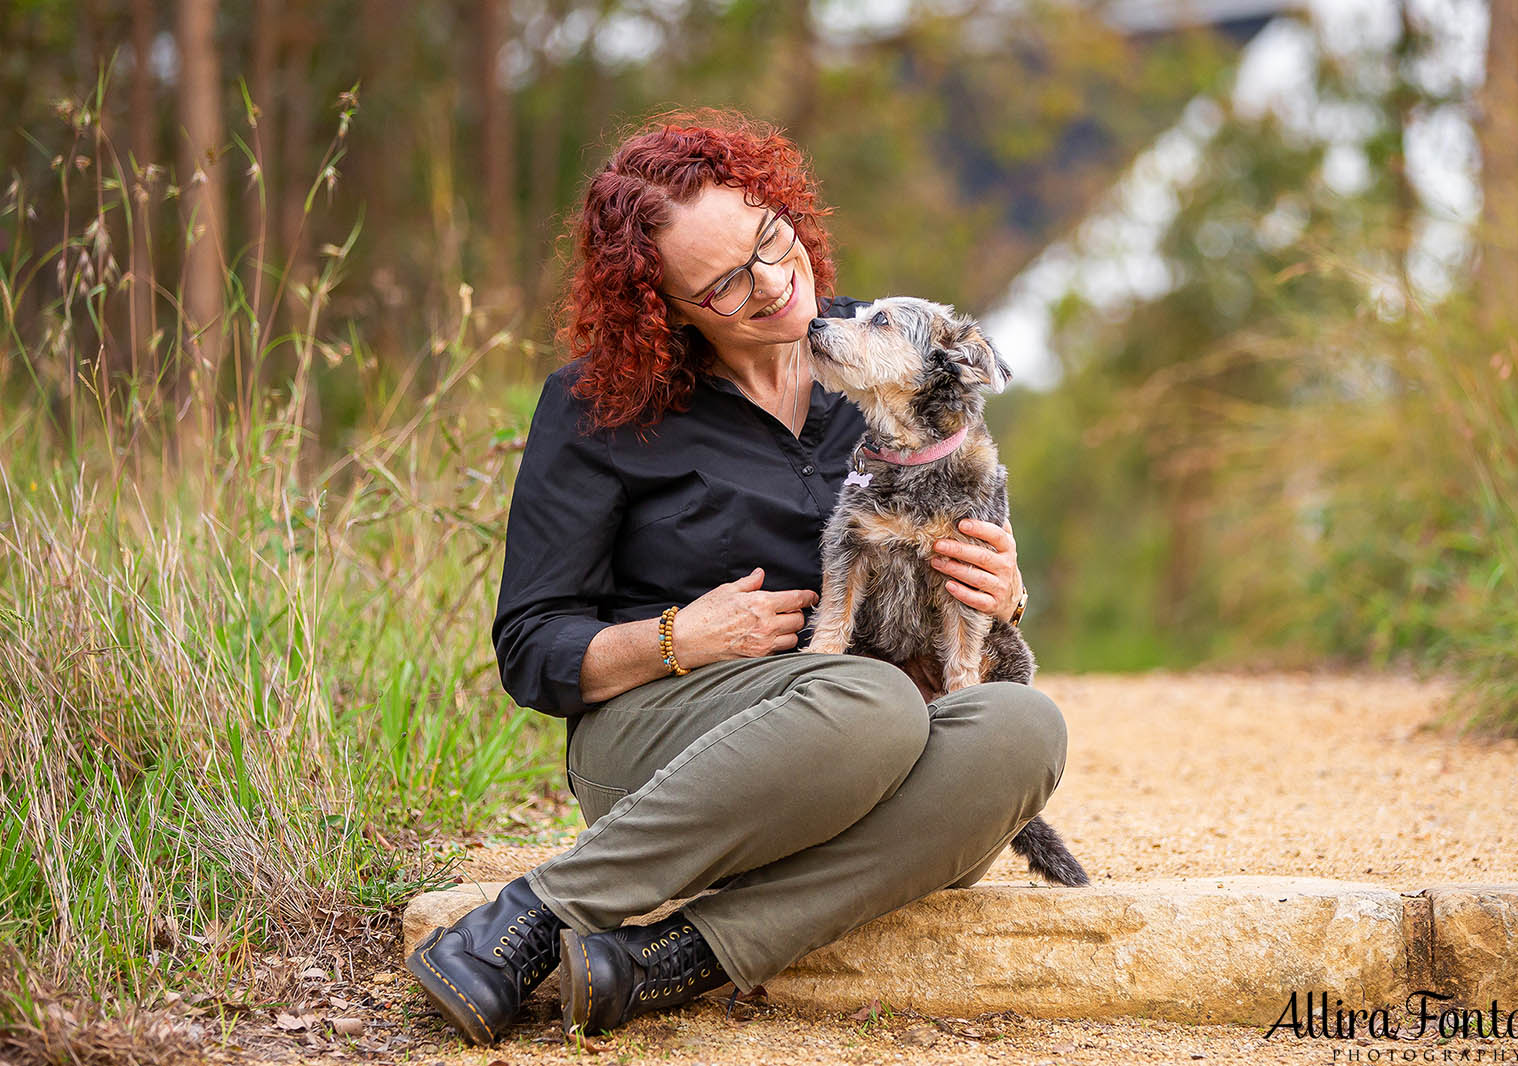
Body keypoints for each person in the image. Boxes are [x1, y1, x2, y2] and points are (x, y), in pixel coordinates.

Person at [404, 107, 1069, 1046]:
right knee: (872, 703)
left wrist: (1002, 591)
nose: (772, 285)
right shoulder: (599, 407)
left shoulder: (882, 363)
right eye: (723, 284)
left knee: (1023, 728)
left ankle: (666, 961)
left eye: (770, 240)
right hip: (670, 736)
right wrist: (678, 638)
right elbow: (530, 645)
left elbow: (959, 550)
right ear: (662, 306)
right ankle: (530, 919)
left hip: (858, 748)